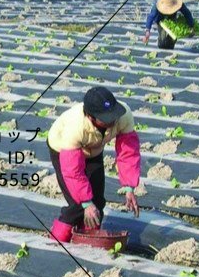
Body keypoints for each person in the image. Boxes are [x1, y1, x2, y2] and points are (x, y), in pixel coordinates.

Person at [46, 87, 141, 243]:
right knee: (78, 205)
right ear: (90, 117)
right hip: (62, 150)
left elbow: (128, 152)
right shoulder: (75, 127)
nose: (112, 121)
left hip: (93, 151)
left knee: (97, 202)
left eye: (113, 115)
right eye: (106, 118)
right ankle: (56, 242)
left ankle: (89, 242)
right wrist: (85, 202)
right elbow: (72, 171)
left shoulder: (124, 115)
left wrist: (129, 187)